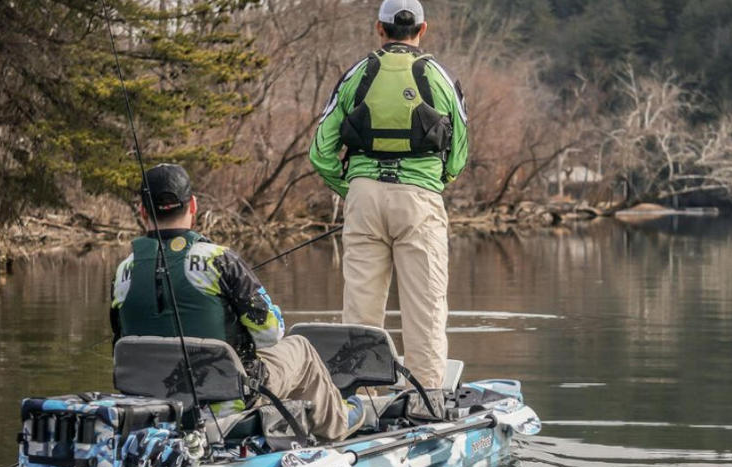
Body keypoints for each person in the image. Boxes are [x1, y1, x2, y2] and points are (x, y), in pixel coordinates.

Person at [110, 164, 364, 442]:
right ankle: (338, 423)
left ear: (143, 211)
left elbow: (120, 340)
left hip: (154, 406)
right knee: (299, 347)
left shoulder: (123, 272)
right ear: (193, 205)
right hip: (227, 401)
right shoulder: (219, 260)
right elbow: (270, 333)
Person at [309, 0, 469, 389]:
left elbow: (320, 151)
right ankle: (426, 399)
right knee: (425, 310)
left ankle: (359, 396)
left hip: (364, 199)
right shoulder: (440, 77)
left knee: (360, 310)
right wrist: (431, 183)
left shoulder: (356, 75)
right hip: (420, 200)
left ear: (379, 30)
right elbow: (459, 154)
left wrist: (351, 189)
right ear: (422, 30)